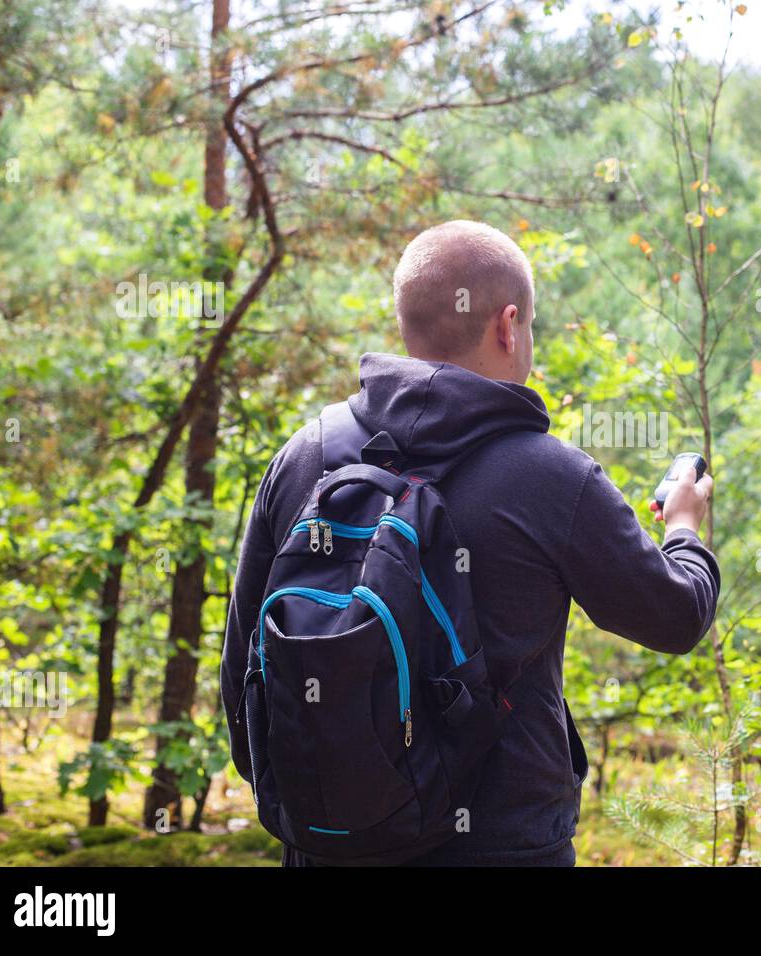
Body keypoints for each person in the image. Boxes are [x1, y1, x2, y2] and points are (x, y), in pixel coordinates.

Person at [220, 219, 720, 866]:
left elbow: (244, 677)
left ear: (406, 321)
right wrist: (683, 526)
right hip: (504, 847)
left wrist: (330, 807)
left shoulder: (305, 455)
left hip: (327, 849)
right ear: (509, 326)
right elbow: (677, 616)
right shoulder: (551, 477)